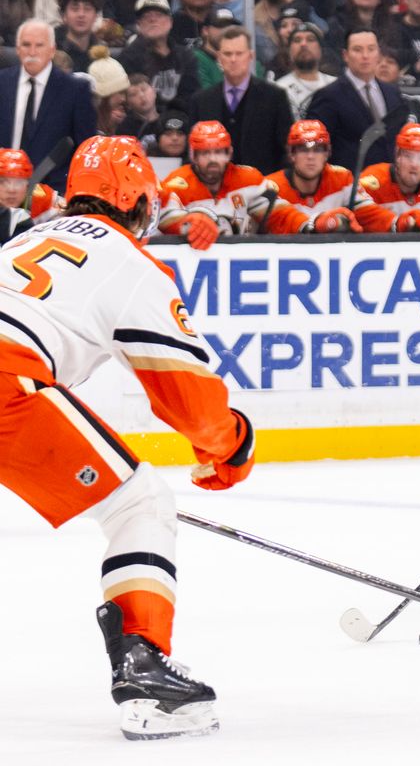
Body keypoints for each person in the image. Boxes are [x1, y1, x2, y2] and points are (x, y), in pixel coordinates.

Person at [0, 134, 255, 739]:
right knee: (140, 503)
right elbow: (188, 398)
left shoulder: (27, 237)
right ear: (139, 202)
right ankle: (144, 672)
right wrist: (231, 446)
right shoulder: (131, 262)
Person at [157, 120, 322, 248]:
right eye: (205, 153)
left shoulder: (248, 179)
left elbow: (281, 216)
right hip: (194, 260)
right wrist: (187, 223)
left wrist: (313, 225)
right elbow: (163, 219)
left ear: (229, 153)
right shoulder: (177, 183)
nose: (213, 159)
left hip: (240, 259)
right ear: (193, 156)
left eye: (219, 152)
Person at [306, 27, 420, 171]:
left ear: (378, 53)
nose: (365, 56)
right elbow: (316, 148)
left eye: (371, 49)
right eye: (358, 50)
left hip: (389, 183)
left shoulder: (392, 92)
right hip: (349, 185)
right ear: (345, 55)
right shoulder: (328, 96)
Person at [0, 20, 97, 191]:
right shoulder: (2, 82)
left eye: (39, 45)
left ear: (52, 50)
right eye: (26, 45)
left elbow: (85, 150)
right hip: (3, 189)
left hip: (54, 194)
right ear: (17, 49)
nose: (32, 52)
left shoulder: (75, 90)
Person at [187, 26, 295, 175]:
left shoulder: (275, 97)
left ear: (250, 56)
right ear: (219, 57)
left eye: (239, 54)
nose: (233, 59)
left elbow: (287, 150)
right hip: (213, 189)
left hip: (262, 187)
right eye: (227, 54)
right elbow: (192, 152)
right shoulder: (201, 101)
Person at [265, 119, 397, 232]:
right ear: (292, 154)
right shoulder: (271, 187)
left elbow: (371, 215)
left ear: (327, 153)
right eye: (303, 150)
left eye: (317, 150)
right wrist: (317, 224)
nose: (310, 157)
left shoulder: (342, 179)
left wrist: (398, 223)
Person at [359, 122, 420, 232]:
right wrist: (399, 223)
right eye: (408, 156)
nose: (414, 164)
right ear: (397, 155)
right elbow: (357, 222)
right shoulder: (370, 184)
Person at [117, 0, 201, 112]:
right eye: (146, 16)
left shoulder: (186, 56)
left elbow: (192, 96)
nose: (152, 20)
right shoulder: (128, 58)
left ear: (170, 22)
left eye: (159, 15)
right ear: (139, 25)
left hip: (182, 120)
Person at [273, 22, 335, 119]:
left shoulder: (336, 86)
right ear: (289, 51)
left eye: (310, 39)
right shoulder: (278, 90)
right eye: (297, 40)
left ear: (321, 49)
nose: (303, 44)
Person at [0, 147, 59, 240]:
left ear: (28, 183)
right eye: (2, 182)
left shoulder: (42, 197)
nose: (11, 190)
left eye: (19, 182)